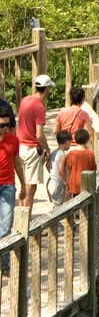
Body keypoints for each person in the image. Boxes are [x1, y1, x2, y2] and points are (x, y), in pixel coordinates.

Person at [16, 74, 53, 210]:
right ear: (46, 89)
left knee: (23, 186)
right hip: (31, 150)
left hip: (19, 147)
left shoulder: (25, 100)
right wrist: (47, 149)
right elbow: (39, 135)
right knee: (30, 188)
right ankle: (27, 221)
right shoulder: (39, 107)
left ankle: (21, 219)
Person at [0, 105, 25, 273]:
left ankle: (6, 265)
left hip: (8, 186)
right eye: (2, 125)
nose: (5, 129)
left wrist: (23, 184)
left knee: (5, 226)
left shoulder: (13, 140)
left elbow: (17, 162)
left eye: (8, 125)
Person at [60, 128, 96, 200]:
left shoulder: (71, 154)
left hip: (74, 185)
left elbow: (68, 170)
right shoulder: (91, 154)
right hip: (87, 184)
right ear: (87, 140)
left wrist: (67, 183)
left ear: (75, 140)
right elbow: (93, 169)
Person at [47, 130, 70, 206]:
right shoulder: (63, 155)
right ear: (67, 142)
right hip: (58, 184)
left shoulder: (54, 152)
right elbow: (61, 170)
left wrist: (53, 172)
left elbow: (47, 165)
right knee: (60, 207)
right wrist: (65, 182)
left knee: (55, 205)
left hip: (51, 182)